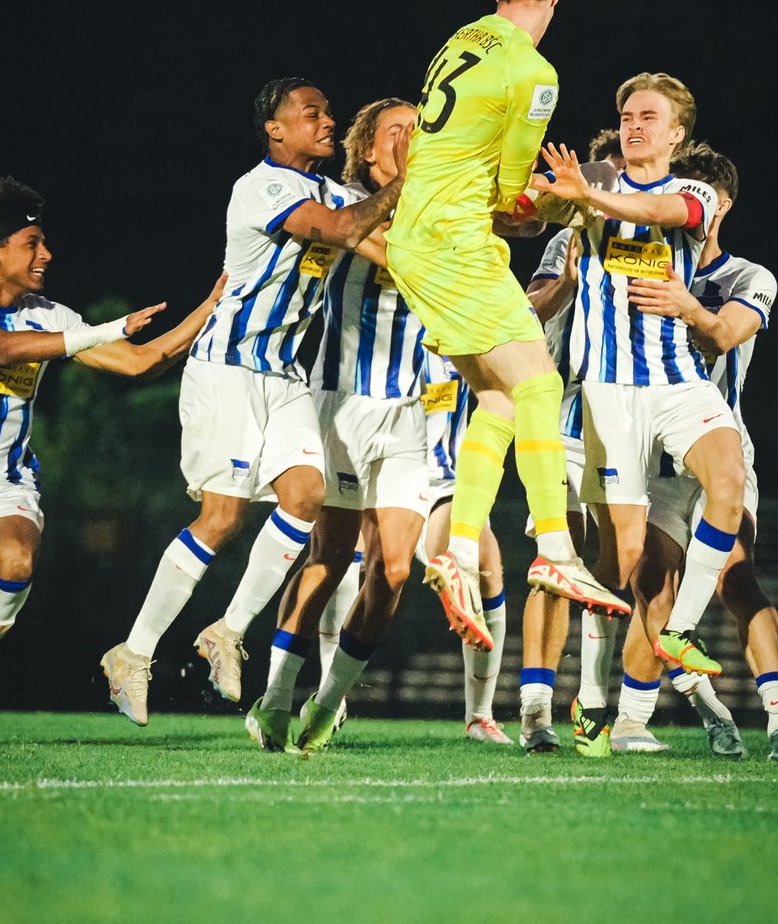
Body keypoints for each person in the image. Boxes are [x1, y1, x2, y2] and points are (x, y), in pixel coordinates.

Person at [101, 79, 406, 727]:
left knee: (305, 496)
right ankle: (132, 652)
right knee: (222, 519)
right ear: (274, 128)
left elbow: (391, 244)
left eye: (328, 113)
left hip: (286, 375)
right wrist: (414, 180)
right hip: (229, 369)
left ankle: (228, 631)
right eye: (311, 113)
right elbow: (348, 228)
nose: (327, 122)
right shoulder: (264, 187)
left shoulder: (332, 192)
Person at [385, 0, 628, 660]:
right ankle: (554, 546)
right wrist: (575, 199)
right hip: (456, 244)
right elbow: (512, 195)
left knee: (495, 396)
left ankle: (456, 554)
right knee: (539, 383)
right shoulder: (536, 72)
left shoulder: (459, 40)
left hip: (417, 241)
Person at [0, 175, 224, 741]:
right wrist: (107, 328)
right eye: (32, 243)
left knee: (15, 566)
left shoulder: (50, 315)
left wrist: (207, 309)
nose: (46, 254)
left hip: (4, 485)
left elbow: (139, 363)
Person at [532, 72, 746, 756]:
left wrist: (585, 194)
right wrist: (540, 195)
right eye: (627, 114)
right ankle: (597, 704)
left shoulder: (695, 191)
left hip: (677, 381)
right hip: (608, 392)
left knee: (729, 481)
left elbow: (669, 218)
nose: (634, 125)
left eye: (649, 116)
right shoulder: (593, 175)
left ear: (677, 132)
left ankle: (679, 632)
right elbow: (535, 209)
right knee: (622, 559)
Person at [240, 97, 428, 753]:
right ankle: (275, 696)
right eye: (397, 132)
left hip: (408, 415)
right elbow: (387, 250)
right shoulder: (347, 208)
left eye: (420, 129)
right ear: (369, 151)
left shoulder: (437, 212)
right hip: (339, 405)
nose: (411, 139)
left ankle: (325, 703)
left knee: (395, 573)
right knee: (327, 560)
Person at [611, 143, 778, 761]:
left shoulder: (750, 278)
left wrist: (686, 304)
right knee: (649, 583)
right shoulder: (633, 260)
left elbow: (724, 335)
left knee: (737, 576)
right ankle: (643, 719)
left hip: (720, 447)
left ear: (715, 204)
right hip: (657, 463)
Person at [519, 137, 626, 755]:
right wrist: (563, 282)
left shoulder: (660, 230)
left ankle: (599, 706)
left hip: (626, 411)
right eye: (604, 174)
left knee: (619, 558)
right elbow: (532, 306)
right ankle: (536, 710)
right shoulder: (570, 235)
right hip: (566, 407)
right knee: (559, 559)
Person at [414, 351, 513, 745]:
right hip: (382, 474)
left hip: (447, 482)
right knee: (354, 572)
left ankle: (480, 716)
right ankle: (320, 697)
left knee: (487, 566)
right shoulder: (378, 323)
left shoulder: (457, 330)